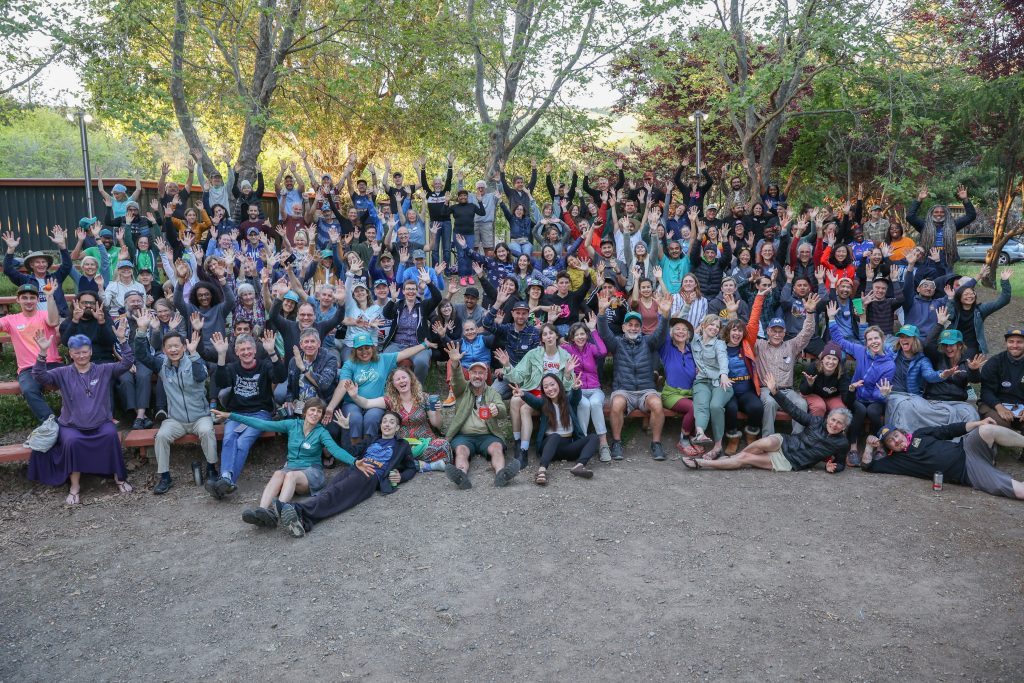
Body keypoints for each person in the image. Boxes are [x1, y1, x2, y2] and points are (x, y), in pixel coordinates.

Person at [29, 326, 135, 505]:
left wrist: (123, 341)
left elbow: (127, 362)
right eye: (77, 353)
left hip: (101, 423)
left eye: (85, 352)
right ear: (70, 353)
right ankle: (75, 486)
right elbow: (39, 376)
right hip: (72, 426)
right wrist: (43, 352)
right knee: (72, 442)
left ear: (91, 352)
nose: (81, 356)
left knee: (111, 436)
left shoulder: (104, 370)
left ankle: (119, 478)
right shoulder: (62, 373)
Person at [275, 410, 418, 538]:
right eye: (384, 421)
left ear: (397, 428)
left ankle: (298, 509)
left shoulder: (401, 445)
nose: (387, 424)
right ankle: (304, 522)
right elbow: (350, 452)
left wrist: (401, 477)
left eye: (392, 422)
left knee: (338, 492)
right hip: (355, 468)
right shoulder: (372, 439)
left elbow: (412, 468)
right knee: (329, 492)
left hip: (370, 474)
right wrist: (346, 430)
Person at [213, 398, 353, 527]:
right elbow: (262, 423)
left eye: (319, 411)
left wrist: (354, 461)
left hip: (312, 472)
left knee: (290, 475)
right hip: (291, 468)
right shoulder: (292, 425)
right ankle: (262, 511)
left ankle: (276, 512)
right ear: (305, 412)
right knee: (279, 473)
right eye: (312, 410)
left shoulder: (321, 432)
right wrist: (230, 416)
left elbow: (335, 450)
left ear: (322, 416)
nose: (315, 414)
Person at [683, 371, 851, 474]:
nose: (834, 424)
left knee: (746, 458)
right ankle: (731, 459)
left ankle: (703, 463)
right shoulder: (816, 422)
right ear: (828, 418)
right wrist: (775, 392)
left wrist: (833, 468)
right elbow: (794, 411)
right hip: (786, 441)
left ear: (844, 427)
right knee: (761, 444)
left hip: (791, 461)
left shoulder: (842, 443)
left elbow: (841, 463)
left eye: (839, 423)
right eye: (833, 420)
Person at [132, 311, 218, 494]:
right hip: (176, 419)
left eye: (176, 346)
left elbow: (201, 376)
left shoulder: (195, 361)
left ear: (184, 347)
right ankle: (164, 477)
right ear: (164, 350)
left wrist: (194, 354)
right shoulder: (161, 365)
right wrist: (141, 330)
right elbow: (141, 355)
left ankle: (212, 469)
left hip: (199, 417)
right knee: (161, 436)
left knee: (207, 431)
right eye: (169, 347)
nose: (173, 350)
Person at [208, 330, 287, 498]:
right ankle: (227, 479)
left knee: (243, 441)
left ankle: (224, 482)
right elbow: (221, 382)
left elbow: (280, 376)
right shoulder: (232, 367)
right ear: (236, 352)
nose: (246, 352)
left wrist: (272, 352)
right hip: (236, 413)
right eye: (242, 350)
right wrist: (221, 355)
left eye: (249, 349)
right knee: (230, 438)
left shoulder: (264, 365)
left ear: (255, 350)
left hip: (260, 413)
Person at [863, 419, 1024, 500]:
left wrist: (978, 422)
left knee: (986, 429)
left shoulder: (920, 433)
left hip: (968, 448)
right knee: (1020, 491)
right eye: (891, 441)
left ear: (902, 432)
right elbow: (867, 465)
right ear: (888, 447)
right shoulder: (896, 461)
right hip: (970, 472)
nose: (896, 440)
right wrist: (869, 446)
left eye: (896, 435)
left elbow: (948, 430)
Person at [597, 291, 671, 461]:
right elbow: (604, 332)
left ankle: (656, 443)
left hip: (646, 389)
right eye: (629, 325)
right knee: (616, 405)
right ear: (623, 327)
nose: (633, 328)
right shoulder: (616, 342)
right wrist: (601, 313)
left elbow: (660, 333)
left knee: (657, 404)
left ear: (641, 328)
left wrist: (665, 316)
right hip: (623, 389)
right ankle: (616, 442)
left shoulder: (648, 341)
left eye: (636, 325)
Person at [326, 332, 433, 447]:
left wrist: (424, 345)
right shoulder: (350, 364)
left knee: (371, 419)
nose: (364, 352)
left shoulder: (383, 359)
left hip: (375, 403)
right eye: (360, 349)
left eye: (367, 348)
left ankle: (370, 451)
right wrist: (331, 407)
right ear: (354, 351)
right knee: (355, 419)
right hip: (353, 402)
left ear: (373, 348)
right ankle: (355, 453)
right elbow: (342, 385)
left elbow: (404, 353)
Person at [341, 366, 451, 471]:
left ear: (411, 379)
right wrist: (355, 396)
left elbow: (436, 423)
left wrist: (436, 411)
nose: (401, 381)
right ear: (393, 384)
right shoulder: (390, 400)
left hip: (425, 444)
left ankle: (411, 465)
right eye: (397, 379)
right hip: (402, 447)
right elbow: (367, 403)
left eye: (404, 377)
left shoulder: (424, 398)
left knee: (444, 445)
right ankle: (426, 466)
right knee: (387, 454)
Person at [496, 323, 576, 466]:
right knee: (515, 400)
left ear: (557, 335)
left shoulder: (565, 356)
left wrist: (568, 374)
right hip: (533, 391)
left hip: (552, 396)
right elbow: (518, 377)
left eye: (551, 333)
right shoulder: (533, 354)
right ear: (542, 339)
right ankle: (518, 442)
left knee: (525, 408)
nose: (548, 336)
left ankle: (524, 450)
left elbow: (567, 388)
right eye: (544, 334)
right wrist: (507, 366)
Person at [443, 345, 520, 489]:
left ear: (486, 376)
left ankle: (501, 474)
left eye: (481, 373)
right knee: (461, 450)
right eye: (474, 373)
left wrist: (497, 409)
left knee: (497, 448)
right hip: (464, 436)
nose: (477, 376)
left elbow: (503, 409)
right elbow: (457, 379)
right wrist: (454, 363)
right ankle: (461, 476)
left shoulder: (492, 392)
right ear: (469, 375)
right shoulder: (462, 388)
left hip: (488, 435)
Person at [754, 294, 821, 436]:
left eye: (780, 331)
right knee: (770, 403)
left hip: (787, 391)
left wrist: (809, 313)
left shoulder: (791, 346)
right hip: (767, 389)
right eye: (774, 331)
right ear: (768, 331)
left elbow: (807, 333)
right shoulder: (759, 345)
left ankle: (797, 439)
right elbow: (749, 332)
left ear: (784, 332)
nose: (777, 335)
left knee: (801, 404)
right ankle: (768, 440)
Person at [515, 374, 597, 485]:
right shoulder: (543, 403)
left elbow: (575, 397)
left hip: (567, 446)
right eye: (546, 387)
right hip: (549, 446)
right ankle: (542, 471)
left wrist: (576, 388)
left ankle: (579, 466)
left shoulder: (568, 401)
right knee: (555, 436)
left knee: (593, 437)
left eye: (552, 384)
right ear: (543, 390)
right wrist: (523, 394)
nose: (550, 389)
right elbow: (533, 400)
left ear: (559, 384)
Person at [0, 282, 61, 422]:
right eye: (24, 297)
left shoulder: (44, 314)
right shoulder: (11, 319)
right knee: (29, 390)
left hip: (51, 363)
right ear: (18, 299)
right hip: (29, 369)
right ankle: (51, 423)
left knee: (75, 379)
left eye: (32, 297)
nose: (28, 301)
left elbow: (53, 322)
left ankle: (79, 417)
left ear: (37, 300)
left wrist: (50, 296)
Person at [561, 316, 610, 461]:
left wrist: (594, 330)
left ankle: (603, 444)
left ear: (586, 335)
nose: (580, 337)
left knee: (594, 403)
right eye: (577, 335)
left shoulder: (592, 348)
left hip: (595, 389)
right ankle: (581, 442)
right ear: (572, 337)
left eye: (583, 334)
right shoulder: (567, 349)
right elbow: (550, 346)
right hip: (577, 390)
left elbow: (603, 351)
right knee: (584, 404)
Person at [689, 314, 733, 459]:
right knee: (701, 403)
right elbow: (681, 326)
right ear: (703, 325)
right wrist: (687, 306)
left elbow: (722, 359)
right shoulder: (695, 340)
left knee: (715, 406)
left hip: (721, 382)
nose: (714, 328)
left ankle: (718, 445)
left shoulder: (719, 344)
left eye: (717, 326)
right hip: (702, 381)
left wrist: (724, 374)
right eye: (711, 325)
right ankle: (700, 434)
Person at [978, 328, 1024, 434]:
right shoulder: (994, 362)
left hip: (1021, 406)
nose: (1015, 345)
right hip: (995, 404)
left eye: (1020, 342)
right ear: (1006, 343)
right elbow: (986, 391)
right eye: (1011, 342)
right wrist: (999, 407)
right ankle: (1014, 439)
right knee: (999, 424)